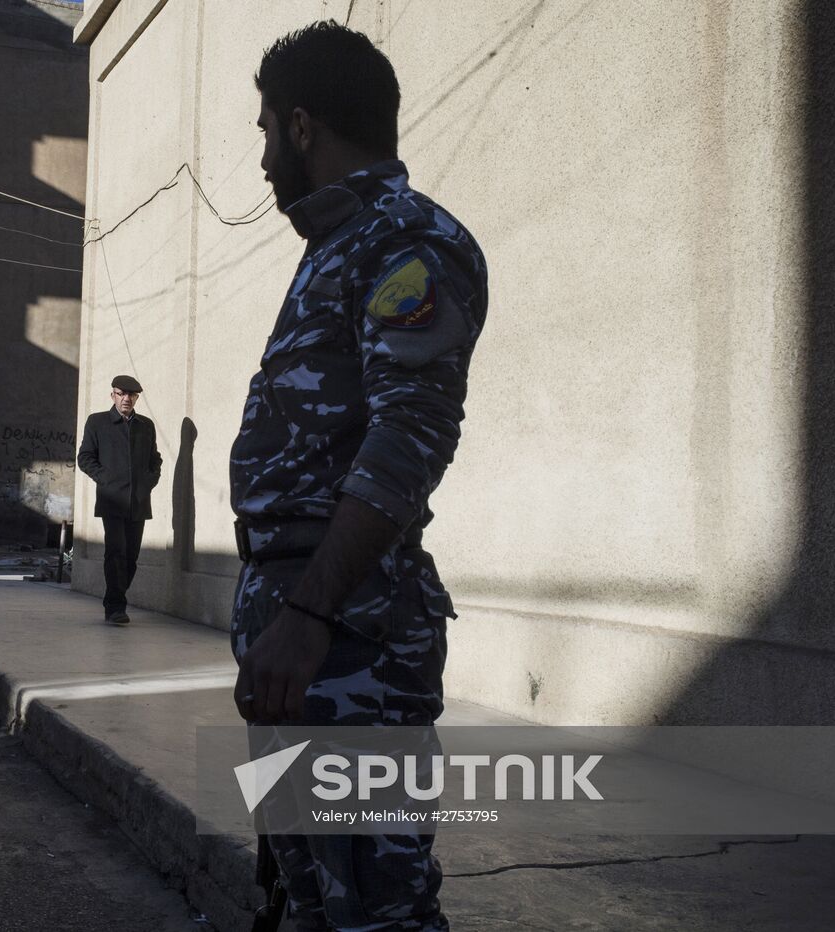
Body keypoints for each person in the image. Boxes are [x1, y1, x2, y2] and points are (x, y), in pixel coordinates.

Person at [230, 21, 488, 932]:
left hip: (348, 640)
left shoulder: (404, 242)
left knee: (377, 913)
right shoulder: (333, 248)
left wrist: (307, 616)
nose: (260, 157)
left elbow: (411, 435)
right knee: (309, 901)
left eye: (264, 130)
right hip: (298, 631)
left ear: (302, 127)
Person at [77, 375, 162, 626]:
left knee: (131, 556)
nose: (126, 399)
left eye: (132, 395)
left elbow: (154, 459)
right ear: (112, 395)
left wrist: (149, 481)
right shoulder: (97, 422)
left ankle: (114, 597)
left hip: (138, 501)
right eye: (121, 394)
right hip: (112, 500)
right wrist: (106, 479)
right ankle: (115, 607)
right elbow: (85, 458)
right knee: (116, 552)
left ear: (136, 398)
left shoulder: (145, 425)